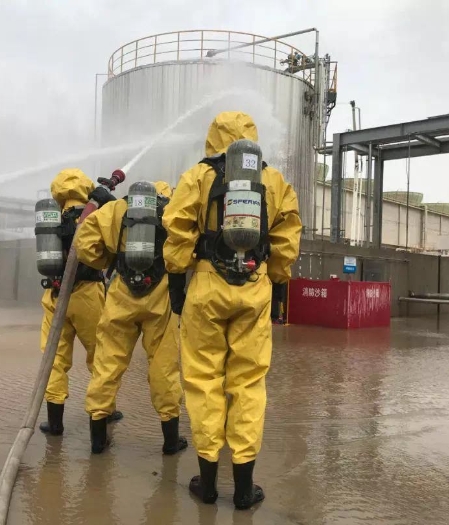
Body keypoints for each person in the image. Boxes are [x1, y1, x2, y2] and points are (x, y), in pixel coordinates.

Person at [163, 111, 301, 510]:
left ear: (213, 137)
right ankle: (243, 488)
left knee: (203, 380)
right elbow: (287, 238)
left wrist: (178, 280)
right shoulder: (273, 180)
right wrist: (276, 281)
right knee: (248, 384)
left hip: (207, 284)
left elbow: (177, 228)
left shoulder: (198, 176)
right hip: (255, 287)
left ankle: (207, 483)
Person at [74, 180, 187, 456]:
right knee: (163, 365)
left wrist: (109, 261)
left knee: (107, 363)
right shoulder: (173, 209)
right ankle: (170, 441)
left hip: (121, 294)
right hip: (161, 296)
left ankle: (98, 439)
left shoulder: (117, 209)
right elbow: (187, 247)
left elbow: (84, 243)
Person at [38, 168, 122, 436]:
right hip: (87, 293)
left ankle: (55, 423)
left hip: (55, 296)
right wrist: (107, 201)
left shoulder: (52, 219)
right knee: (100, 356)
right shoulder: (93, 214)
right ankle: (103, 414)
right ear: (86, 187)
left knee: (54, 359)